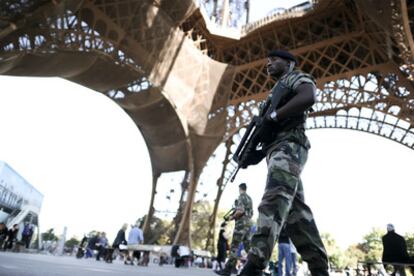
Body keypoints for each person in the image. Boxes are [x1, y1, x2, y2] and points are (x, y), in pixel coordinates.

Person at [237, 50, 329, 276]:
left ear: (289, 63)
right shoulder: (274, 92)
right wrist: (255, 155)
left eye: (274, 60)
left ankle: (254, 264)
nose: (268, 64)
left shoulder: (295, 78)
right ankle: (319, 269)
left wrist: (274, 116)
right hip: (279, 149)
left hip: (290, 146)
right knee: (297, 215)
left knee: (274, 197)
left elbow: (308, 96)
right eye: (267, 61)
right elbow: (269, 131)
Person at [216, 183, 253, 276]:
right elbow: (251, 212)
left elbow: (240, 211)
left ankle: (227, 270)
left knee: (234, 247)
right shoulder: (250, 199)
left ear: (240, 188)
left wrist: (231, 217)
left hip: (241, 224)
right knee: (248, 246)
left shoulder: (241, 197)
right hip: (249, 224)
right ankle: (254, 268)